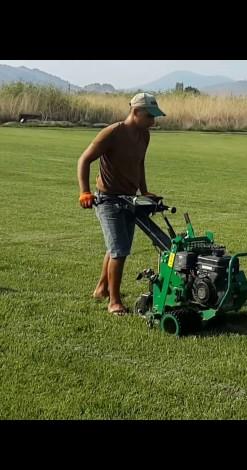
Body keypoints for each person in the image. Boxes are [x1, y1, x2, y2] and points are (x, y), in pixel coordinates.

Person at [76, 92, 165, 315]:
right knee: (119, 250)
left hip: (130, 199)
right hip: (108, 199)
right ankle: (114, 302)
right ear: (135, 112)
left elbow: (139, 163)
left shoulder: (144, 135)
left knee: (117, 246)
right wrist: (85, 192)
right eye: (149, 116)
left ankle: (101, 289)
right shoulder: (113, 133)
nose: (153, 122)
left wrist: (144, 191)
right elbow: (84, 160)